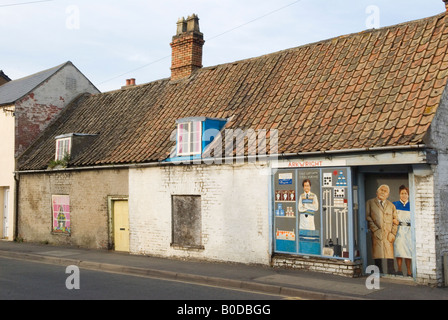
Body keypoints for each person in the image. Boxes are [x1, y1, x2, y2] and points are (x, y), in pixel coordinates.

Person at [366, 184, 399, 274]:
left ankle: (391, 272)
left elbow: (395, 221)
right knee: (377, 254)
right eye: (381, 190)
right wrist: (375, 230)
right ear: (377, 192)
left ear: (388, 195)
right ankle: (378, 271)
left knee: (389, 255)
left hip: (388, 234)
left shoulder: (391, 206)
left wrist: (393, 234)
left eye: (385, 191)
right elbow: (368, 217)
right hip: (376, 234)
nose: (383, 192)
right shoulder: (370, 202)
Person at [393, 185, 412, 277]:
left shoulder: (411, 205)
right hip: (399, 230)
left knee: (408, 251)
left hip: (409, 230)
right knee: (399, 250)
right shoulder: (395, 204)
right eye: (402, 193)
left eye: (405, 193)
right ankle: (399, 270)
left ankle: (409, 271)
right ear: (399, 194)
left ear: (408, 194)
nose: (404, 195)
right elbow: (388, 215)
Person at [298, 179, 320, 254]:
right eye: (305, 186)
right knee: (303, 237)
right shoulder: (301, 196)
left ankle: (310, 253)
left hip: (310, 220)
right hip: (303, 219)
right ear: (303, 187)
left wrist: (306, 206)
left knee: (310, 237)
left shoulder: (314, 196)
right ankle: (303, 253)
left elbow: (316, 207)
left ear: (310, 186)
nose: (306, 187)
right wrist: (310, 206)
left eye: (307, 185)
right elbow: (300, 209)